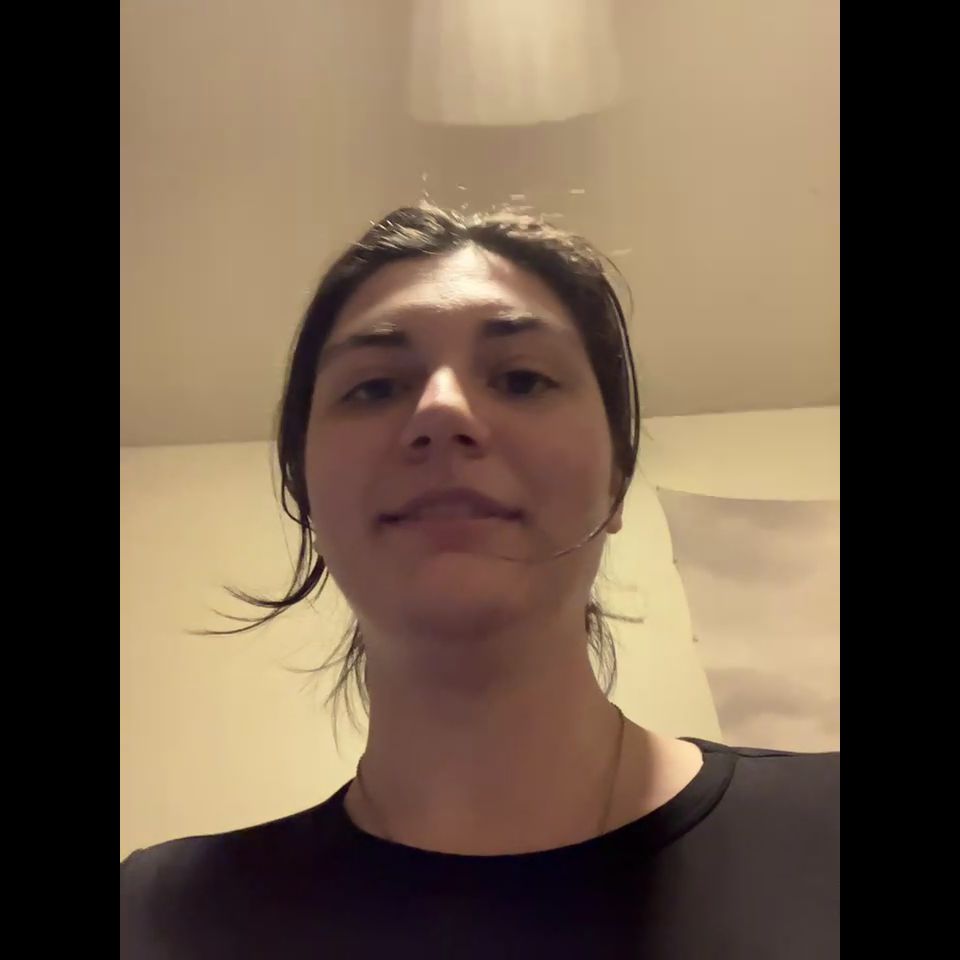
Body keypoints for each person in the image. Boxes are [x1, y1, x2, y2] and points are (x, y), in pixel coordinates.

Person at [120, 203, 839, 959]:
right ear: (305, 492)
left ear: (616, 481)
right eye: (373, 387)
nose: (442, 411)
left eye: (523, 379)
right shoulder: (154, 921)